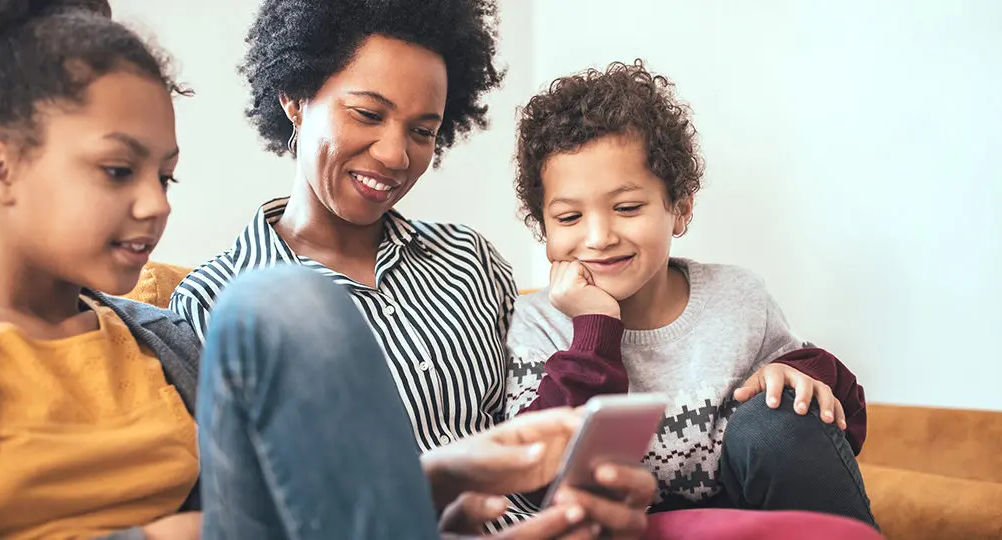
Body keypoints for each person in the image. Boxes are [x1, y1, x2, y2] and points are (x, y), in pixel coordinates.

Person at [0, 1, 658, 539]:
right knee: (281, 296)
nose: (154, 207)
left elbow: (279, 510)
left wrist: (446, 480)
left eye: (165, 177)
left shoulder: (160, 343)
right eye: (117, 170)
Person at [169, 0, 655, 531]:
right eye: (368, 114)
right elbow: (251, 513)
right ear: (295, 97)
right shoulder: (212, 304)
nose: (396, 154)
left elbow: (529, 435)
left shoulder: (470, 261)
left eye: (423, 131)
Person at [504, 60, 878, 529]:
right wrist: (594, 329)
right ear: (544, 228)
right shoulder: (538, 322)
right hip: (620, 532)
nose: (598, 237)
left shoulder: (737, 297)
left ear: (679, 210)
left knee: (780, 418)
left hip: (741, 525)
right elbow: (534, 479)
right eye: (569, 218)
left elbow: (835, 422)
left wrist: (798, 373)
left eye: (626, 207)